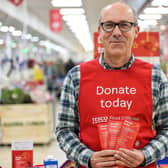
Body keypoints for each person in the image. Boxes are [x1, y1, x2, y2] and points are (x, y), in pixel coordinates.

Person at [56, 2, 168, 168]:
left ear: (136, 31)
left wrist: (144, 155)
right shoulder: (76, 76)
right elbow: (64, 130)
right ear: (100, 32)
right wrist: (88, 158)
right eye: (109, 25)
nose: (116, 32)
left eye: (124, 25)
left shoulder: (155, 77)